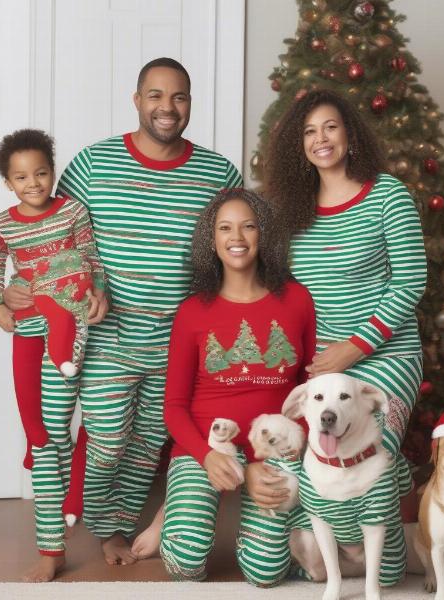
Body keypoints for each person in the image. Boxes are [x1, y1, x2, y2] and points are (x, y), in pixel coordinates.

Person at [3, 58, 243, 567]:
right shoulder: (93, 163)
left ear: (190, 104)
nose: (167, 107)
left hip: (178, 342)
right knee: (108, 441)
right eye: (155, 96)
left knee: (145, 450)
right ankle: (96, 520)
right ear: (137, 101)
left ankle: (116, 527)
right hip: (107, 336)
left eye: (178, 97)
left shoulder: (219, 172)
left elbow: (237, 246)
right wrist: (17, 285)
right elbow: (50, 231)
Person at [251, 88, 427, 586]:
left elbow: (410, 280)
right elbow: (280, 290)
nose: (320, 139)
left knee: (374, 446)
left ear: (350, 134)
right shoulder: (290, 210)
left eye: (330, 126)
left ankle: (382, 561)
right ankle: (319, 546)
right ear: (298, 146)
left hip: (387, 351)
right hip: (323, 357)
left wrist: (356, 347)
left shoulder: (387, 194)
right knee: (318, 448)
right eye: (309, 132)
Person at [158, 188, 316, 585]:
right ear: (211, 241)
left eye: (248, 226)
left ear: (264, 235)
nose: (237, 237)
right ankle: (174, 524)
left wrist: (291, 458)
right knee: (185, 562)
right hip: (207, 448)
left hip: (274, 449)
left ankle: (278, 539)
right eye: (225, 228)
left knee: (266, 574)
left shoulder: (296, 300)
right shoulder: (192, 312)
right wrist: (206, 456)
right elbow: (174, 407)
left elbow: (311, 390)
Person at [0, 129, 108, 581]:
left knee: (52, 430)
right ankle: (60, 488)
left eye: (41, 172)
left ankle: (52, 544)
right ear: (8, 183)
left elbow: (91, 259)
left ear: (53, 172)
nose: (33, 183)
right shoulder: (3, 223)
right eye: (21, 177)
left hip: (68, 324)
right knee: (36, 433)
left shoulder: (72, 210)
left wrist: (97, 292)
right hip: (25, 327)